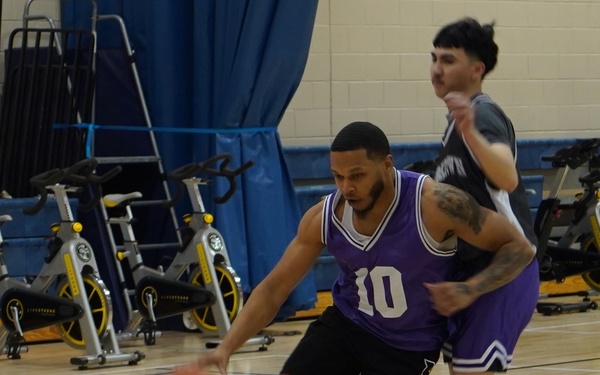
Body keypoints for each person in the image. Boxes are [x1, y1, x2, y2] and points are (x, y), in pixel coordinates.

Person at [173, 121, 535, 375]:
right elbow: (273, 289)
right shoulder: (326, 217)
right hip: (348, 326)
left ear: (387, 165)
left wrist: (470, 289)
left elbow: (518, 248)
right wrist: (226, 347)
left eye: (357, 175)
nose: (346, 186)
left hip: (408, 346)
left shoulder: (435, 204)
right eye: (338, 176)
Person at [430, 18, 540, 374]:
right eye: (434, 58)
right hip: (471, 274)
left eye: (448, 60)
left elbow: (506, 176)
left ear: (477, 69)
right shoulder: (456, 126)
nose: (436, 69)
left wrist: (471, 133)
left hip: (505, 267)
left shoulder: (482, 112)